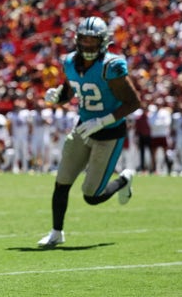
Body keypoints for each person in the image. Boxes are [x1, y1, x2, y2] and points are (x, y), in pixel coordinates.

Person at [37, 16, 141, 247]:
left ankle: (124, 179)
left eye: (93, 40)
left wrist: (103, 121)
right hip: (83, 129)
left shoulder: (111, 66)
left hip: (109, 134)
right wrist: (57, 96)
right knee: (62, 181)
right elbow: (70, 91)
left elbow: (133, 102)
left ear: (103, 42)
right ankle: (56, 232)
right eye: (84, 39)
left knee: (91, 196)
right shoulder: (71, 62)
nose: (87, 44)